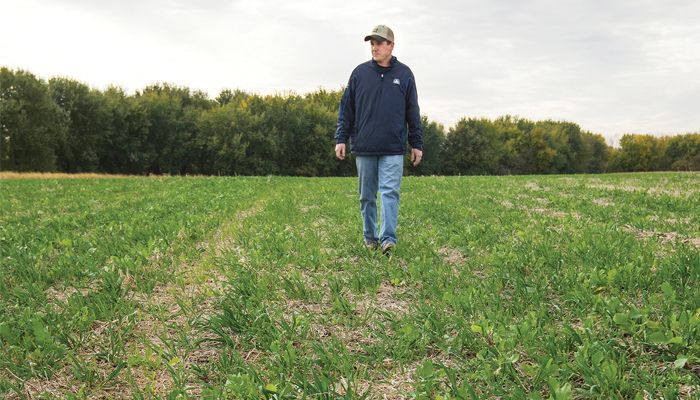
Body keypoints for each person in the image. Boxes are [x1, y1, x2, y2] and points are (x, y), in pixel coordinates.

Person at [335, 24, 423, 255]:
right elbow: (347, 108)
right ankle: (370, 237)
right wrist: (341, 138)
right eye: (372, 43)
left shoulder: (404, 75)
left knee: (389, 193)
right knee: (366, 196)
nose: (374, 47)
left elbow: (412, 111)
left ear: (391, 45)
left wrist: (417, 143)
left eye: (379, 43)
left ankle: (388, 240)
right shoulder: (359, 73)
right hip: (364, 147)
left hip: (393, 148)